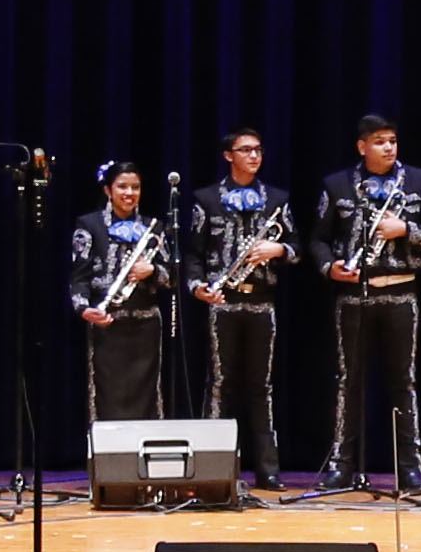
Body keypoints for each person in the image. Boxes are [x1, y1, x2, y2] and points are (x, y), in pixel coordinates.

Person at [307, 115, 421, 495]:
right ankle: (342, 465)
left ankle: (410, 468)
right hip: (354, 294)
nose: (389, 147)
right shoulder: (336, 186)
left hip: (401, 293)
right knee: (348, 381)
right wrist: (329, 268)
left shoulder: (419, 182)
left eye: (393, 140)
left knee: (402, 382)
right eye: (380, 141)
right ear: (362, 146)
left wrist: (407, 230)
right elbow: (318, 240)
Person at [187, 129, 298, 490]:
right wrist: (198, 287)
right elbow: (193, 253)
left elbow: (296, 244)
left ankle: (268, 469)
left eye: (258, 150)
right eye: (245, 150)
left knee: (260, 386)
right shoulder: (206, 199)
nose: (254, 156)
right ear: (228, 155)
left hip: (262, 302)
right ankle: (213, 468)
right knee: (220, 385)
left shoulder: (277, 200)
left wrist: (277, 250)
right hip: (223, 302)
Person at [74, 160, 172, 422]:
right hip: (107, 323)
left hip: (146, 324)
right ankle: (108, 459)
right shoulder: (89, 225)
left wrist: (151, 271)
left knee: (148, 394)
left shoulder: (155, 227)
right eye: (122, 187)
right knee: (107, 394)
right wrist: (84, 308)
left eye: (135, 187)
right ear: (108, 190)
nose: (129, 193)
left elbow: (171, 277)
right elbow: (79, 277)